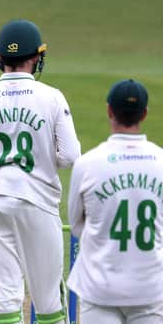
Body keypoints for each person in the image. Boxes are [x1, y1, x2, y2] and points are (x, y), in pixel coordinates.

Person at [0, 19, 81, 324]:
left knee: (5, 299)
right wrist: (43, 160)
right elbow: (71, 155)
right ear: (36, 57)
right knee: (48, 302)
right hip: (38, 202)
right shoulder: (51, 97)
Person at [67, 79, 163, 323]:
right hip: (150, 289)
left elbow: (76, 225)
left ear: (109, 110)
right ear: (144, 114)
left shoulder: (87, 164)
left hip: (99, 287)